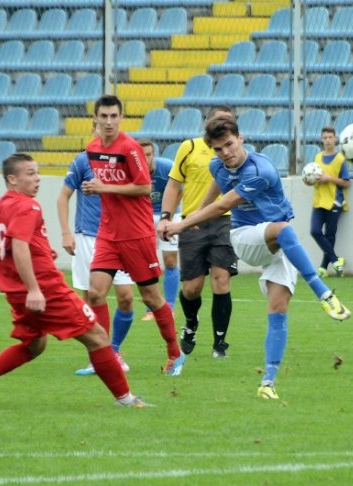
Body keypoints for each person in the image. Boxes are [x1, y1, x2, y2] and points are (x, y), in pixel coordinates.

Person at [160, 114, 351, 400]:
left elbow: (225, 202)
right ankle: (324, 294)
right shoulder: (219, 164)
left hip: (276, 242)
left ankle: (268, 383)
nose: (225, 153)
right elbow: (218, 184)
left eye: (229, 145)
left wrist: (181, 223)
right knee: (285, 230)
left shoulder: (261, 170)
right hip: (245, 237)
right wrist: (196, 213)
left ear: (241, 139)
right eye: (219, 149)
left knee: (278, 310)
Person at [0, 153, 148, 408]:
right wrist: (34, 288)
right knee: (98, 337)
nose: (38, 178)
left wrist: (22, 284)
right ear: (12, 179)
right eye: (30, 173)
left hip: (18, 293)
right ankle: (126, 400)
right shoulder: (27, 206)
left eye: (37, 172)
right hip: (44, 290)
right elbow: (20, 246)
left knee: (34, 345)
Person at [83, 95, 184, 376]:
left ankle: (174, 354)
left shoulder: (129, 148)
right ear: (95, 118)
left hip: (137, 234)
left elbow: (143, 187)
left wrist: (104, 188)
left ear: (121, 117)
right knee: (95, 293)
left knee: (152, 298)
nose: (109, 122)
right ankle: (106, 356)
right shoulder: (92, 148)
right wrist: (98, 188)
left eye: (114, 116)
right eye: (103, 116)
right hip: (107, 234)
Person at [157, 106, 237, 358]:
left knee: (221, 280)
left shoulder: (236, 152)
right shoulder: (189, 148)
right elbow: (173, 184)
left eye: (227, 121)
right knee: (192, 288)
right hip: (192, 223)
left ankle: (220, 342)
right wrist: (166, 217)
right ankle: (191, 323)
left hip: (224, 221)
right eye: (217, 120)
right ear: (207, 123)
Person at [57, 126, 134, 376]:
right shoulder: (83, 160)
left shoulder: (125, 159)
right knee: (91, 298)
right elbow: (63, 197)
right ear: (94, 128)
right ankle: (100, 357)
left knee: (126, 297)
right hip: (87, 237)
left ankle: (115, 349)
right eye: (100, 124)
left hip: (119, 237)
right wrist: (66, 232)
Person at [137, 138, 180, 322]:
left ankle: (169, 307)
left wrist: (167, 216)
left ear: (154, 154)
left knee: (170, 260)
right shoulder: (132, 171)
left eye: (148, 155)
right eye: (141, 155)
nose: (145, 159)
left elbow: (179, 190)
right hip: (143, 217)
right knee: (147, 262)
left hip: (167, 213)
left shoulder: (167, 167)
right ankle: (151, 308)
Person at [309, 126, 351, 278]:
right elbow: (314, 177)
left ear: (335, 139)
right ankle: (335, 260)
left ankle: (322, 268)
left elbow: (346, 183)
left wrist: (329, 178)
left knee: (330, 234)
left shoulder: (340, 159)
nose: (327, 140)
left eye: (330, 137)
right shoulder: (317, 157)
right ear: (321, 139)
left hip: (335, 201)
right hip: (319, 200)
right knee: (315, 231)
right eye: (325, 137)